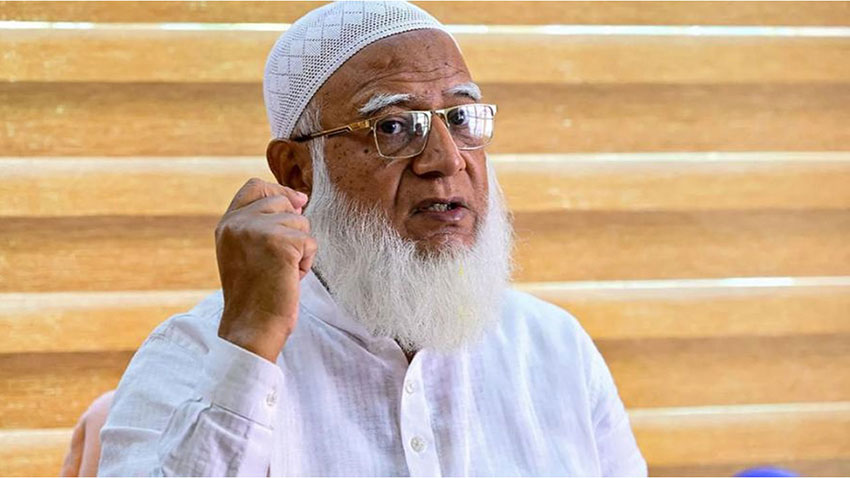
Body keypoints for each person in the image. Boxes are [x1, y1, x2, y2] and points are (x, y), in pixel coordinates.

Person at [98, 1, 646, 476]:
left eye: (460, 118)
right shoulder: (196, 354)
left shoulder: (554, 349)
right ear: (297, 171)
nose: (446, 159)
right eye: (392, 126)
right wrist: (250, 342)